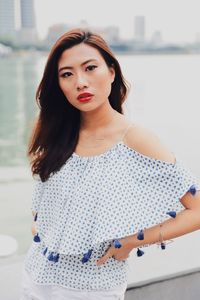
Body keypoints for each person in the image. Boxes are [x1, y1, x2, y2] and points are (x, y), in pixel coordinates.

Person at [20, 28, 200, 300]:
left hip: (92, 289)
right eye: (67, 74)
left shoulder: (135, 139)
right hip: (34, 279)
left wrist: (129, 242)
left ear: (112, 72)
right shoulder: (57, 134)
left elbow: (196, 210)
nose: (80, 82)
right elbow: (41, 210)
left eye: (90, 68)